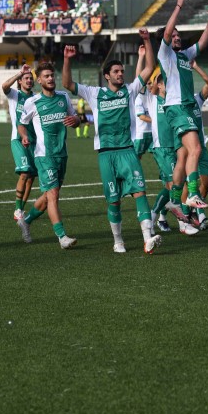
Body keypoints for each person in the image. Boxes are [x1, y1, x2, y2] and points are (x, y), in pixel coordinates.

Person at [62, 31, 162, 254]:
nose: (120, 74)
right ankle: (118, 241)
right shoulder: (94, 93)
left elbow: (149, 67)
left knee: (140, 192)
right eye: (116, 71)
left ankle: (148, 238)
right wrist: (67, 59)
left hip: (127, 151)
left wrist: (147, 41)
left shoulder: (130, 90)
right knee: (114, 201)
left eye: (122, 71)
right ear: (107, 76)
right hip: (106, 154)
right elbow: (67, 83)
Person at [158, 0, 208, 216]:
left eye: (178, 35)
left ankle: (175, 200)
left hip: (186, 108)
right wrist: (178, 7)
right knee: (196, 149)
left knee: (184, 156)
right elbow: (166, 32)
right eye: (173, 35)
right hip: (177, 107)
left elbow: (202, 43)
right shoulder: (166, 55)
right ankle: (192, 194)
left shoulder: (185, 55)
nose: (176, 37)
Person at [15, 62, 80, 248]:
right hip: (44, 155)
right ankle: (62, 237)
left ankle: (26, 221)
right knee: (53, 195)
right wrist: (24, 135)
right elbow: (21, 124)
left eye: (52, 75)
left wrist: (75, 120)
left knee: (48, 196)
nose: (51, 78)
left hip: (62, 154)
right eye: (46, 76)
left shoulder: (64, 97)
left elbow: (75, 119)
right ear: (39, 80)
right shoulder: (32, 102)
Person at [137, 65, 199, 236]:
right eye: (164, 83)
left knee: (170, 186)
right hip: (162, 148)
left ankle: (154, 217)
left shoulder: (174, 101)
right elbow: (139, 80)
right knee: (177, 186)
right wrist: (142, 58)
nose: (167, 86)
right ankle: (183, 223)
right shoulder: (152, 99)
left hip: (176, 148)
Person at [182, 60, 208, 231]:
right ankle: (190, 217)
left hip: (201, 147)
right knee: (187, 184)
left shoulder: (197, 99)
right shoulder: (177, 103)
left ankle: (193, 212)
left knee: (207, 182)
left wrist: (196, 66)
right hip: (187, 147)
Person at [2, 64, 37, 221]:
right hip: (17, 139)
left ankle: (21, 210)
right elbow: (4, 86)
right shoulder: (14, 95)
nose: (29, 80)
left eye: (30, 78)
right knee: (24, 173)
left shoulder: (36, 98)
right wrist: (19, 73)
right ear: (20, 82)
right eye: (26, 78)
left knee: (31, 177)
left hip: (34, 141)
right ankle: (17, 209)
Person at [133, 59, 153, 159]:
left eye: (151, 83)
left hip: (153, 132)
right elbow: (142, 117)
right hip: (142, 133)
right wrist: (141, 57)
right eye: (148, 83)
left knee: (160, 156)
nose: (150, 85)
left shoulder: (153, 95)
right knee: (136, 158)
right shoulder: (140, 97)